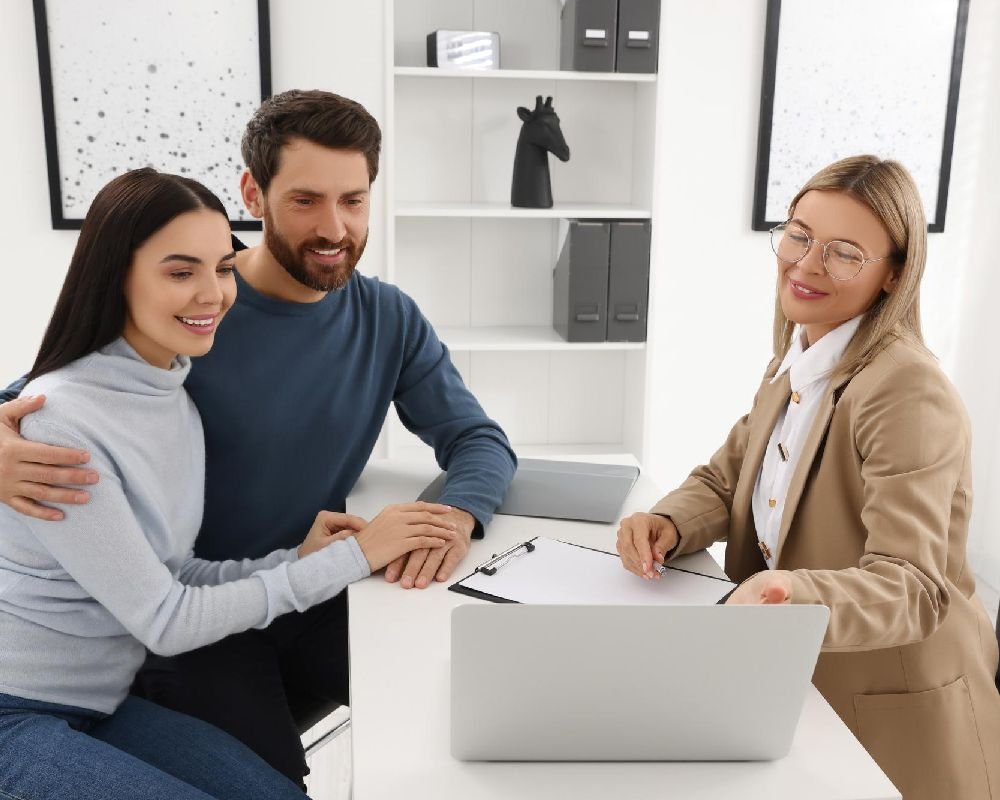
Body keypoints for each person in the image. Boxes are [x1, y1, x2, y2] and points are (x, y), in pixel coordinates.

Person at [0, 90, 517, 787]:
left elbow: (478, 437)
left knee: (451, 709)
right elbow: (50, 398)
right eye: (306, 200)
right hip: (181, 634)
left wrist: (457, 515)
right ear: (255, 193)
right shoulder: (178, 327)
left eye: (354, 201)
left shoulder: (382, 318)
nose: (334, 227)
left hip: (293, 579)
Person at [616, 155, 1000, 800]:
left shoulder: (905, 390)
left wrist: (791, 591)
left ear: (894, 276)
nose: (807, 263)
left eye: (846, 251)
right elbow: (726, 478)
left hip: (891, 707)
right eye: (799, 234)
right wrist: (670, 521)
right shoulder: (798, 358)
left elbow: (913, 586)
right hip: (800, 681)